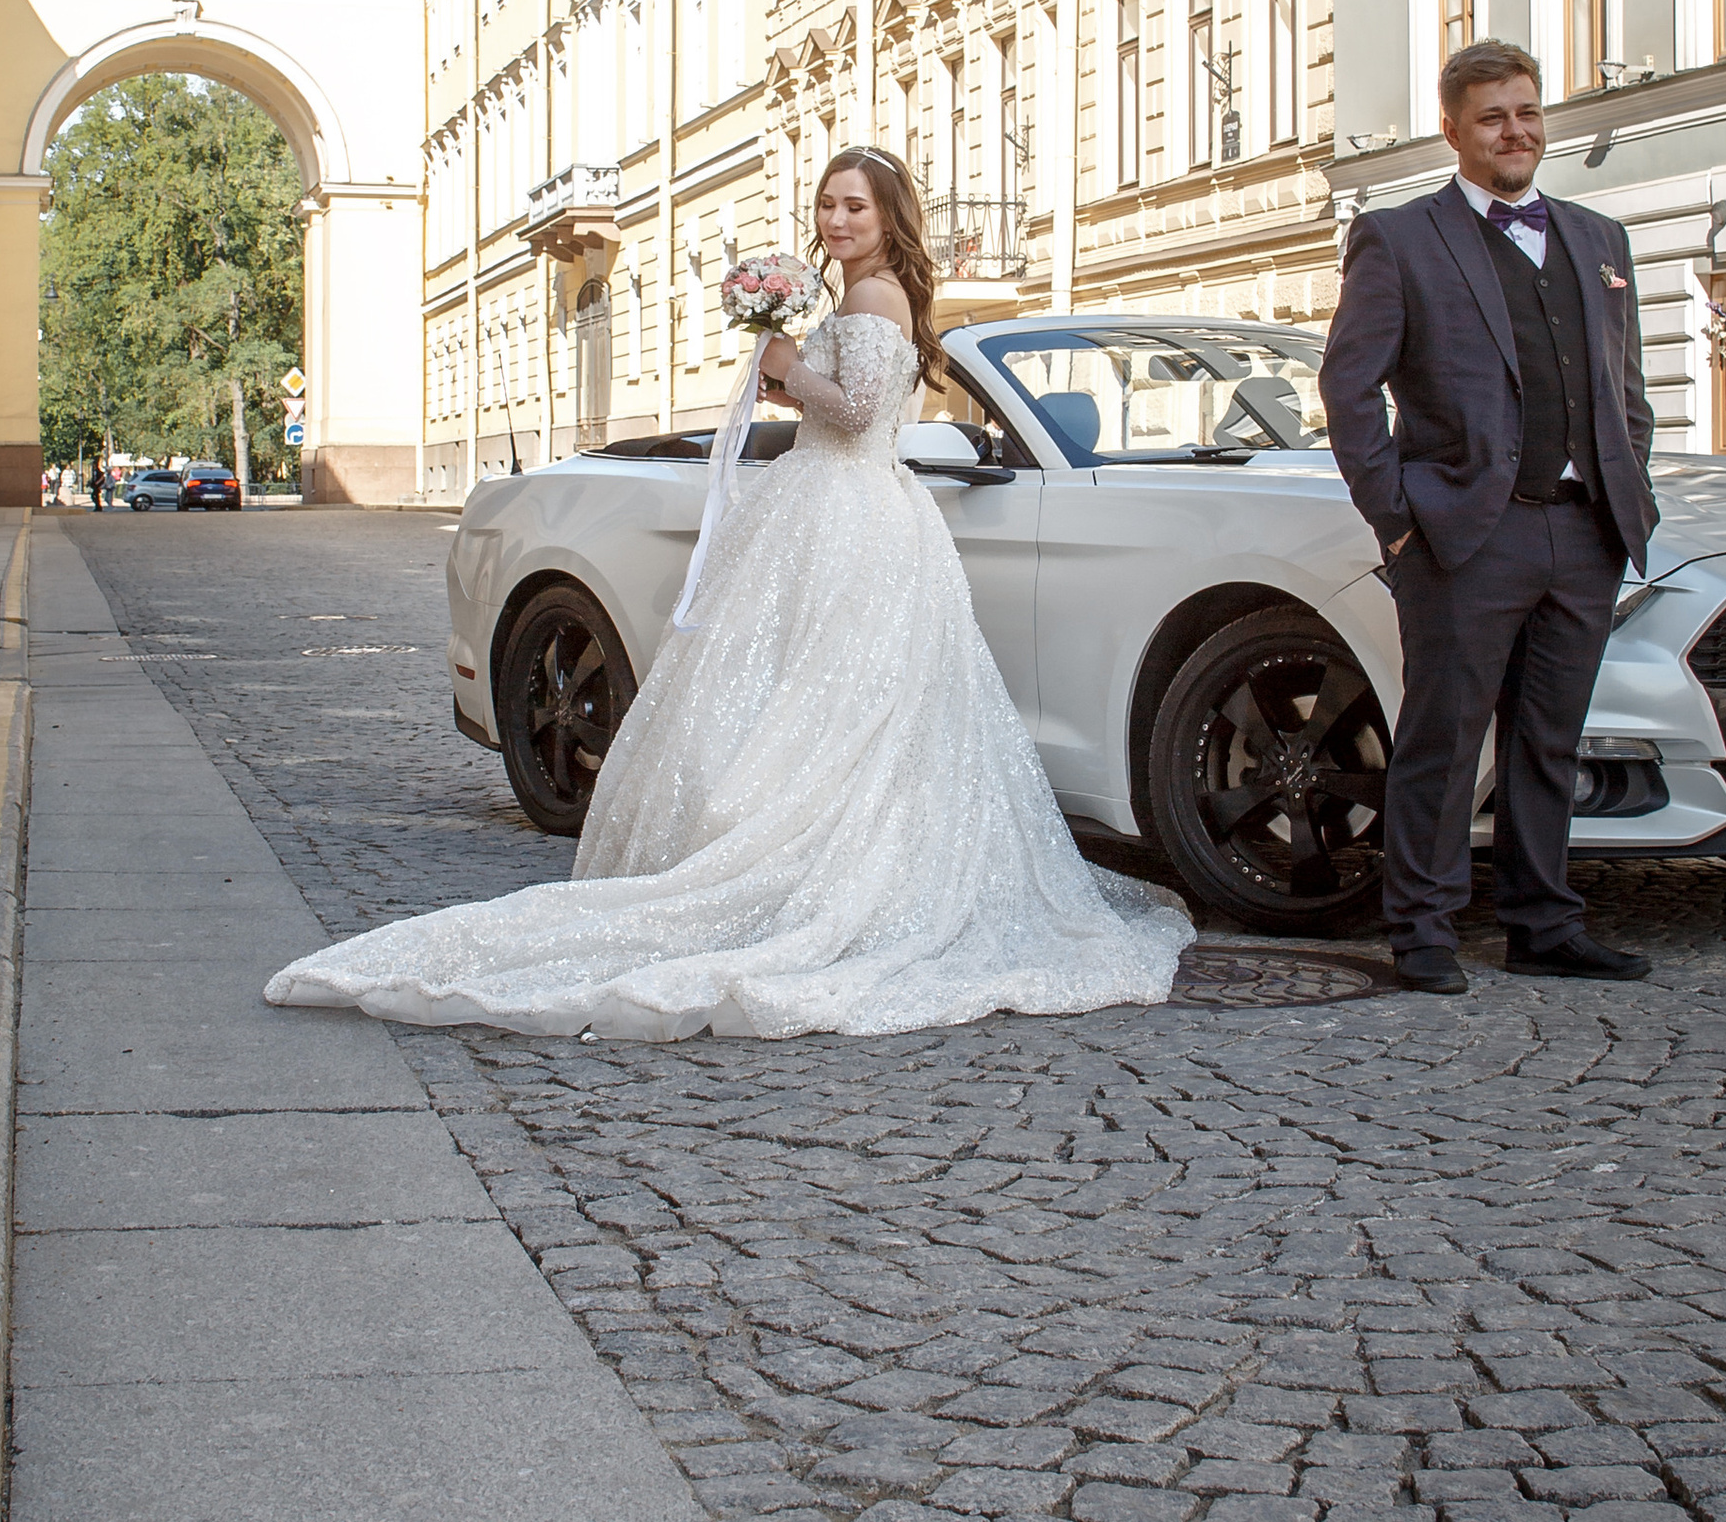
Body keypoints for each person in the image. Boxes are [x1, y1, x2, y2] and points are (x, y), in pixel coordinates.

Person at [266, 149, 1183, 1040]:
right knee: (838, 705)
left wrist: (785, 369)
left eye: (855, 207)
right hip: (837, 508)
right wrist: (789, 366)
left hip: (848, 514)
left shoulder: (873, 293)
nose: (836, 221)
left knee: (830, 703)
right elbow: (846, 404)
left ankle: (824, 873)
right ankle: (838, 860)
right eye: (827, 205)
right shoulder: (859, 294)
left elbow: (859, 413)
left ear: (888, 216)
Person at [1318, 39, 1656, 998]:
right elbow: (1350, 392)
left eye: (1529, 112)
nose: (1517, 131)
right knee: (1445, 735)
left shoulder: (1598, 240)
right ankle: (1420, 929)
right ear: (1454, 132)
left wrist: (1633, 493)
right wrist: (1397, 520)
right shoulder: (1402, 237)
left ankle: (1544, 923)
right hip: (1465, 533)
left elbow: (1623, 388)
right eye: (1494, 118)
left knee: (1551, 739)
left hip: (1583, 530)